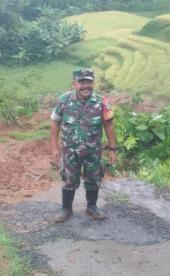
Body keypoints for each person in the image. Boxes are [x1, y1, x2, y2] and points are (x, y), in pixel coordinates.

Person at [50, 68, 118, 223]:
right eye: (82, 82)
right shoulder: (63, 100)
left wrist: (113, 149)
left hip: (93, 152)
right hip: (70, 151)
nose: (86, 86)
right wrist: (54, 148)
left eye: (89, 82)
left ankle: (92, 206)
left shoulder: (102, 102)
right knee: (69, 180)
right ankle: (66, 208)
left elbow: (109, 126)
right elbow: (55, 124)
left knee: (94, 180)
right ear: (74, 83)